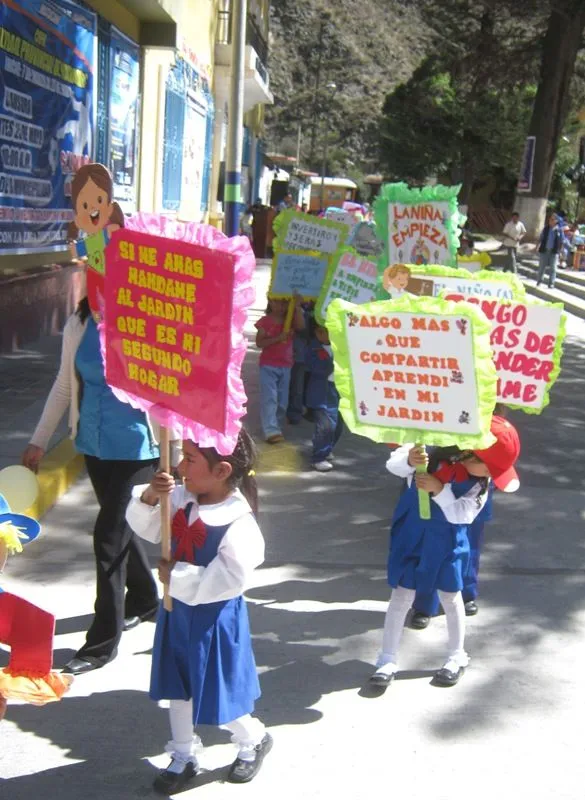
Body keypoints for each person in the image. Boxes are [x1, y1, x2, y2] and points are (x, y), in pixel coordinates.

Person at [21, 292, 175, 675]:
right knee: (120, 529)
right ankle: (143, 600)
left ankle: (100, 645)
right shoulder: (80, 323)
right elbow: (64, 384)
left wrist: (182, 451)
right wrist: (39, 440)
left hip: (139, 450)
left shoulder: (150, 318)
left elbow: (173, 386)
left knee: (108, 537)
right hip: (93, 444)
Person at [126, 429, 272, 795]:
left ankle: (252, 738)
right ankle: (183, 752)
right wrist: (150, 495)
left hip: (214, 619)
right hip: (177, 612)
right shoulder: (181, 497)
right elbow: (148, 528)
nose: (179, 466)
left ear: (222, 471)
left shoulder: (239, 522)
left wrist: (176, 575)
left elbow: (230, 578)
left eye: (189, 459)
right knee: (178, 685)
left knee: (217, 689)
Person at [370, 416, 521, 688]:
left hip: (447, 543)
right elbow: (394, 465)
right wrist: (410, 461)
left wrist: (439, 491)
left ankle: (457, 655)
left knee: (451, 598)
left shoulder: (479, 485)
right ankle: (387, 658)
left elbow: (463, 515)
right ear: (469, 455)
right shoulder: (430, 450)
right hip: (413, 536)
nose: (492, 477)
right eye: (491, 469)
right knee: (401, 595)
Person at [255, 295, 304, 444]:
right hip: (268, 366)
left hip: (286, 366)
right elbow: (259, 343)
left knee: (282, 401)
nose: (281, 306)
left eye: (285, 303)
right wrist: (278, 338)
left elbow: (301, 326)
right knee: (269, 398)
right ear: (270, 301)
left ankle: (275, 424)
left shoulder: (290, 320)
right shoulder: (265, 321)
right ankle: (270, 430)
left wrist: (296, 307)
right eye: (278, 302)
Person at [305, 323, 343, 472]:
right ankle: (318, 457)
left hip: (339, 390)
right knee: (327, 425)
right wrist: (334, 360)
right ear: (318, 333)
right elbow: (317, 368)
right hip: (321, 392)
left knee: (338, 425)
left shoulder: (341, 346)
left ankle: (326, 448)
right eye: (324, 331)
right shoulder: (313, 349)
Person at [536, 212, 563, 289]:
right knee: (542, 267)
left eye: (552, 219)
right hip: (544, 250)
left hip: (554, 252)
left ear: (556, 221)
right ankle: (539, 281)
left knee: (553, 268)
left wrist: (560, 252)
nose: (550, 221)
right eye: (550, 219)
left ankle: (551, 283)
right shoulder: (546, 228)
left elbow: (561, 241)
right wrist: (537, 246)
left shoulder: (559, 230)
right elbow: (541, 238)